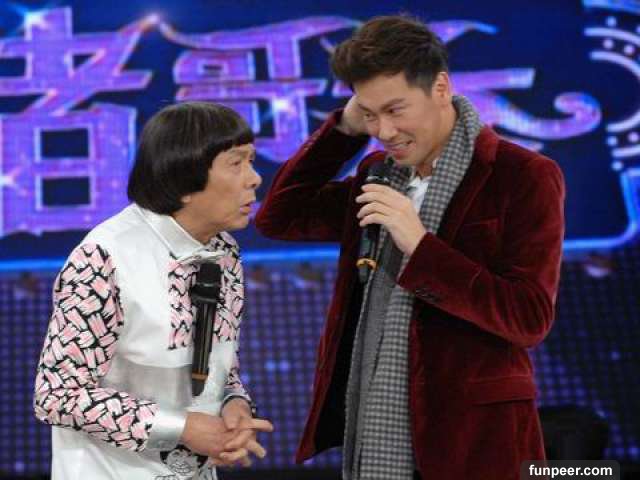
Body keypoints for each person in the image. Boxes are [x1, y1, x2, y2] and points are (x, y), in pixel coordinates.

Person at [255, 14, 565, 480]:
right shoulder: (378, 174)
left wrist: (421, 247)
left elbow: (528, 317)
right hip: (375, 425)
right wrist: (342, 131)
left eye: (395, 110)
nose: (383, 131)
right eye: (369, 113)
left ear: (440, 88)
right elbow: (280, 217)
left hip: (474, 441)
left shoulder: (522, 175)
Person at [34, 101, 274, 480]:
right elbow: (58, 395)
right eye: (236, 163)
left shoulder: (223, 250)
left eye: (252, 161)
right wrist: (182, 428)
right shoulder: (104, 258)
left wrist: (233, 405)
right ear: (184, 180)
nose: (254, 178)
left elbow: (217, 367)